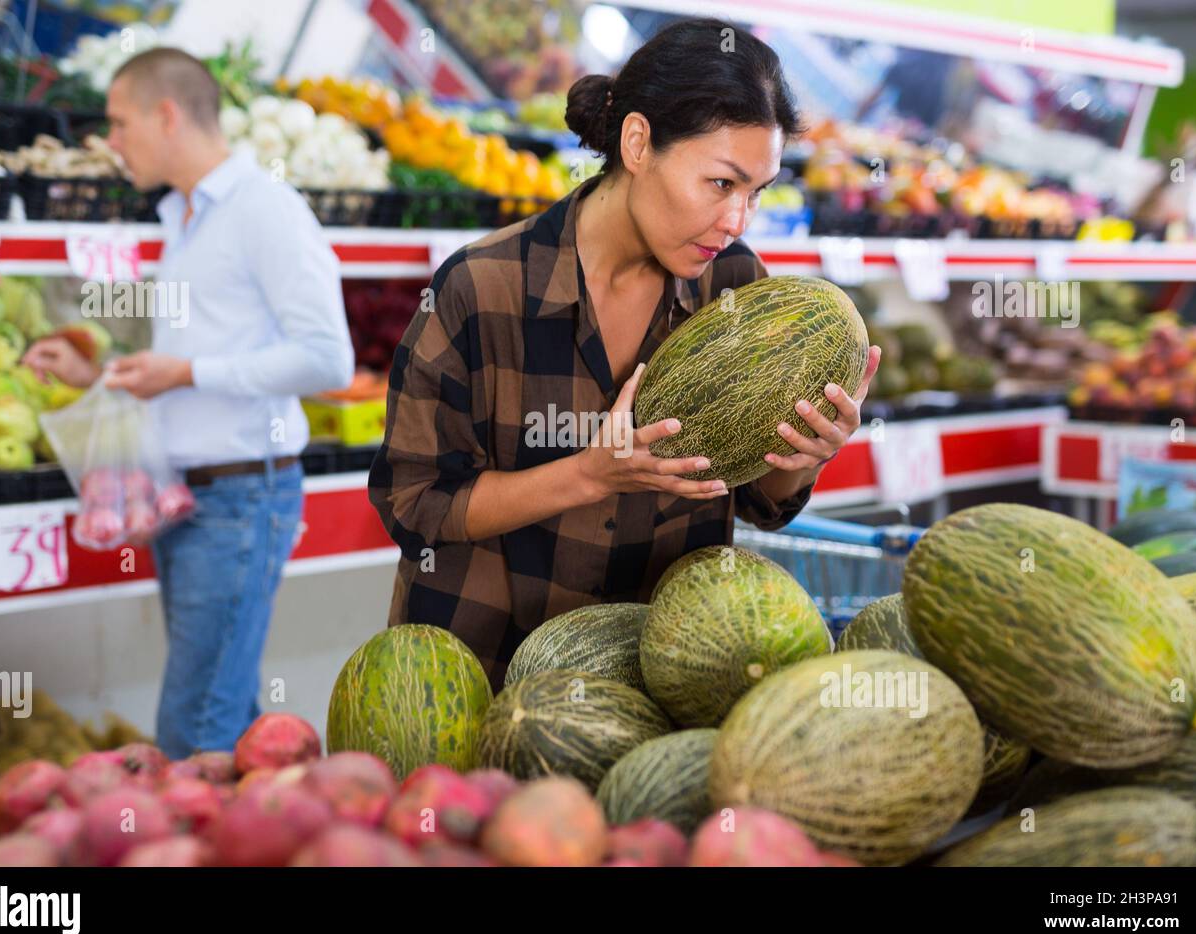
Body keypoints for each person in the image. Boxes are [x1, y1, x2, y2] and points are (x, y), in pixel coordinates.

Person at [369, 18, 881, 690]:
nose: (737, 222)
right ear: (638, 143)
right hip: (481, 682)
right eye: (721, 184)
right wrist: (589, 474)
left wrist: (805, 453)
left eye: (757, 192)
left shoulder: (735, 289)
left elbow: (757, 495)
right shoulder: (482, 286)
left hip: (649, 693)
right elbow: (414, 504)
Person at [22, 48, 354, 757]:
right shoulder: (183, 218)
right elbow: (196, 360)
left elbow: (329, 359)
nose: (110, 142)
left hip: (240, 499)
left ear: (166, 114)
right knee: (226, 714)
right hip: (193, 501)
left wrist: (185, 373)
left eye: (119, 122)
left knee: (194, 728)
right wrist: (100, 374)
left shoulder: (266, 209)